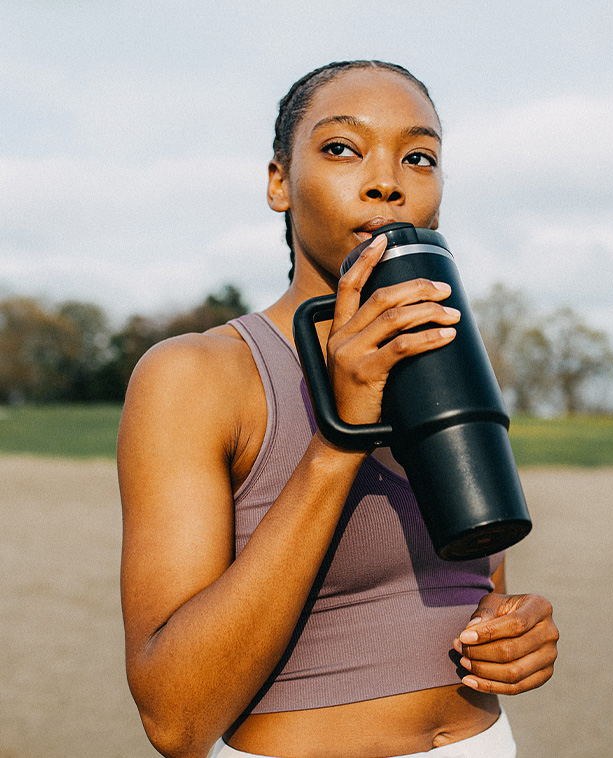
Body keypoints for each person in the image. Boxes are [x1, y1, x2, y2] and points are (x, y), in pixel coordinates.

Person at [118, 60, 559, 758]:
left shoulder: (449, 358)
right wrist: (339, 436)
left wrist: (514, 632)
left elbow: (476, 583)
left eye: (418, 157)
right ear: (279, 183)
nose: (386, 181)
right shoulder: (197, 374)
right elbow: (175, 719)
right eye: (342, 148)